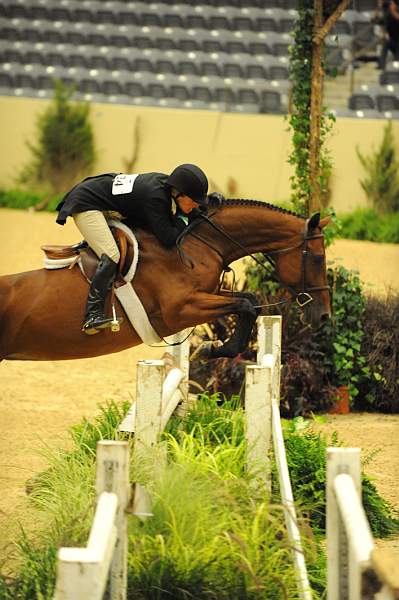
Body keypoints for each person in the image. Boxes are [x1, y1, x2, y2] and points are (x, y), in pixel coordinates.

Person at [56, 164, 210, 335]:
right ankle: (92, 315)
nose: (196, 206)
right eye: (194, 202)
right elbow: (168, 239)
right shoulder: (156, 197)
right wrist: (185, 216)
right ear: (180, 193)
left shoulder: (165, 190)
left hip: (103, 200)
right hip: (87, 205)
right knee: (112, 254)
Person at [377, 0, 399, 69]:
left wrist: (393, 12)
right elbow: (378, 21)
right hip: (393, 40)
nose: (391, 5)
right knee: (386, 43)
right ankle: (381, 66)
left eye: (392, 4)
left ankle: (396, 63)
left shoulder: (394, 13)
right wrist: (378, 9)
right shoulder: (388, 15)